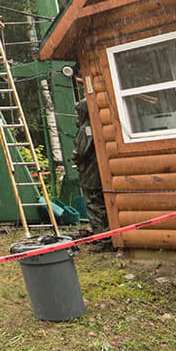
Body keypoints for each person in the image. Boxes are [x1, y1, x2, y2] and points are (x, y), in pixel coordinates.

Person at [73, 98, 112, 251]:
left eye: (78, 112)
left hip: (90, 174)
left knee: (95, 206)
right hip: (96, 172)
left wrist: (75, 158)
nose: (76, 115)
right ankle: (105, 237)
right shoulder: (95, 125)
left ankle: (104, 240)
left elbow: (81, 151)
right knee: (100, 205)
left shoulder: (86, 129)